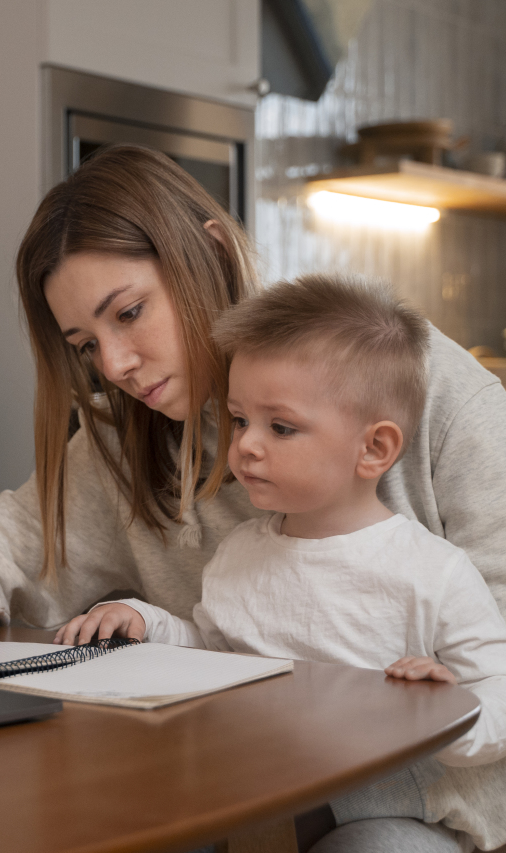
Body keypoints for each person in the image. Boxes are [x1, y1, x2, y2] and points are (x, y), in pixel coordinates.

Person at [0, 144, 506, 845]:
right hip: (234, 780)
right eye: (85, 343)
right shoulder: (127, 442)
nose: (113, 365)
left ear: (208, 251)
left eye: (129, 312)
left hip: (426, 800)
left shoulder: (428, 387)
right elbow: (8, 542)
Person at [57, 275, 506, 853]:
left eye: (282, 427)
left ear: (374, 449)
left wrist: (448, 710)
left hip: (397, 813)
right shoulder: (240, 554)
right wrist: (151, 625)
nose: (245, 446)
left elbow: (498, 691)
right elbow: (218, 656)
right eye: (241, 420)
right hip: (267, 799)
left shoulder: (433, 572)